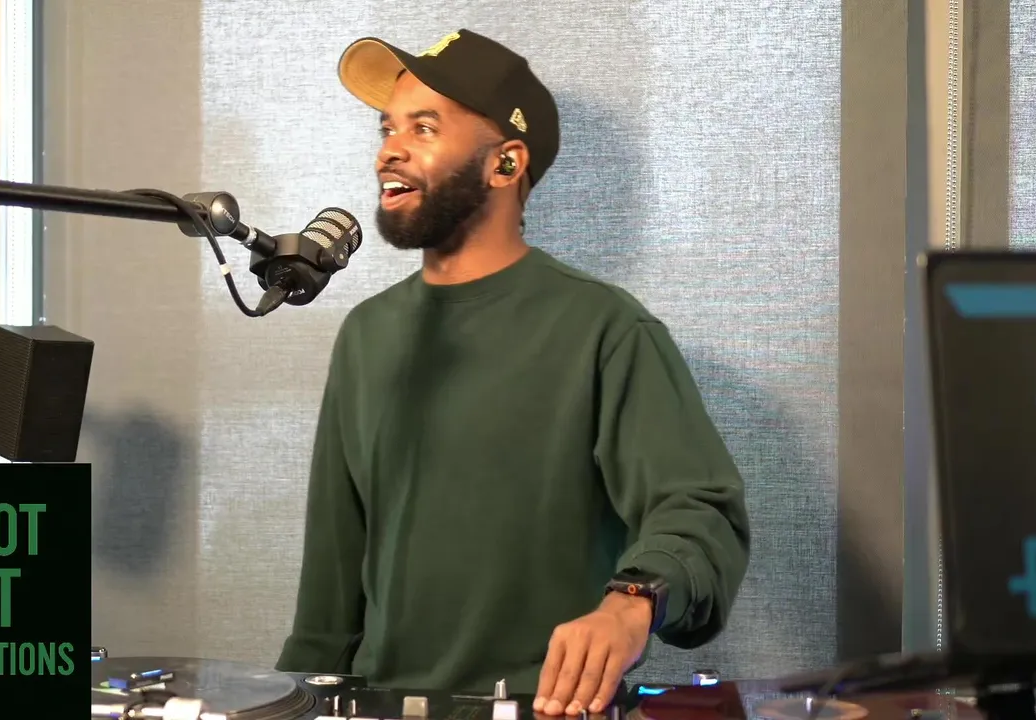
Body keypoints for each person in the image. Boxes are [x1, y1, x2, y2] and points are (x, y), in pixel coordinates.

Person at [276, 29, 751, 717]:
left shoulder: (605, 329)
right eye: (388, 128)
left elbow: (701, 511)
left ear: (505, 163)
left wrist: (632, 602)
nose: (389, 150)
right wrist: (295, 699)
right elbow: (330, 586)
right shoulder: (366, 335)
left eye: (424, 128)